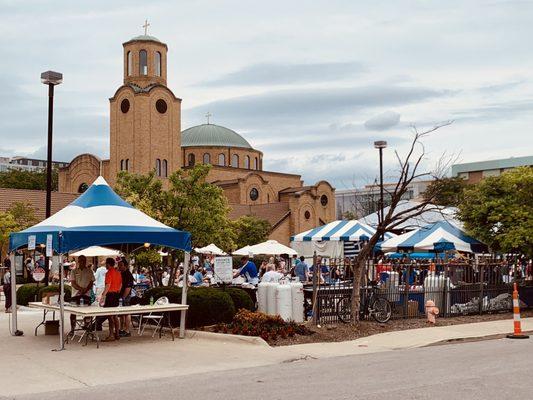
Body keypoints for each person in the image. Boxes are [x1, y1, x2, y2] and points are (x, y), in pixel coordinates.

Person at [69, 255, 94, 333]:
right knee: (73, 312)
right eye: (80, 260)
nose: (82, 262)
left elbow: (91, 282)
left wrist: (85, 290)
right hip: (75, 294)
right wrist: (81, 289)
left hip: (87, 294)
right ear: (78, 261)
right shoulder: (73, 271)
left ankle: (87, 326)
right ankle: (72, 329)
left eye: (84, 260)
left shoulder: (89, 271)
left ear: (85, 261)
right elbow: (73, 283)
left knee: (88, 312)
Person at [100, 258, 122, 342]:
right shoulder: (118, 273)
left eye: (106, 264)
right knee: (115, 315)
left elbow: (108, 285)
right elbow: (121, 285)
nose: (105, 265)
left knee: (109, 316)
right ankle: (117, 333)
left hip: (110, 295)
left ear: (108, 264)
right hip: (116, 294)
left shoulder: (109, 273)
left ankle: (111, 335)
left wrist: (103, 296)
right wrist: (117, 292)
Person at [118, 258, 134, 337]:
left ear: (126, 266)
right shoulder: (121, 273)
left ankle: (127, 330)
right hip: (121, 295)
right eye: (119, 265)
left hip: (126, 296)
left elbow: (128, 287)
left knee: (127, 313)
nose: (119, 267)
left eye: (121, 265)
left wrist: (123, 297)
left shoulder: (128, 274)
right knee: (121, 313)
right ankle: (121, 329)